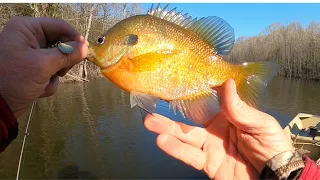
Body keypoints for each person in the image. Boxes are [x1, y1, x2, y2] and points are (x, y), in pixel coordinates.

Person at [0, 16, 318, 180]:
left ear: (124, 44)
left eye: (100, 40)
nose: (96, 45)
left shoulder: (127, 57)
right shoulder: (119, 62)